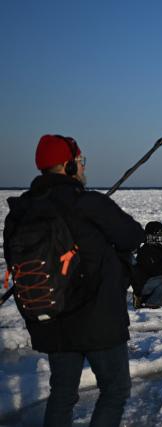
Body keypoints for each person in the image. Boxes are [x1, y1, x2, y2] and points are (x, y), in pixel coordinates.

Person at [3, 134, 146, 427]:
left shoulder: (20, 212)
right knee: (115, 389)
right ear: (68, 166)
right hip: (98, 320)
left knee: (63, 394)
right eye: (81, 162)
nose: (83, 168)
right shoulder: (87, 203)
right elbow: (132, 236)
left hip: (50, 316)